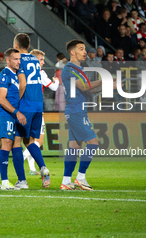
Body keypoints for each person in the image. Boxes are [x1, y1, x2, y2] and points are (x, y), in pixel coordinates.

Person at [61, 39, 112, 190]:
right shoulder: (69, 68)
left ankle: (66, 181)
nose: (85, 52)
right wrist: (103, 81)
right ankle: (81, 177)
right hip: (76, 111)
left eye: (84, 49)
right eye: (81, 49)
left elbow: (88, 89)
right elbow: (84, 87)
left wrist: (109, 86)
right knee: (93, 142)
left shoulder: (78, 69)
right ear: (72, 52)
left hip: (76, 110)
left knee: (74, 147)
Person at [12, 33, 51, 189]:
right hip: (38, 105)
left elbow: (22, 84)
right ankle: (43, 168)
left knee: (16, 142)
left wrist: (17, 102)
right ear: (28, 46)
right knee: (29, 142)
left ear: (16, 45)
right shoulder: (35, 60)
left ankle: (22, 181)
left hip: (26, 105)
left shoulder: (18, 60)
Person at [0, 48, 26, 190]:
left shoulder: (16, 75)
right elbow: (2, 99)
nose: (18, 61)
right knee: (6, 145)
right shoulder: (5, 74)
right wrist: (17, 112)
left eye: (19, 59)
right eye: (15, 59)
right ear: (8, 60)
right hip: (5, 114)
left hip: (13, 114)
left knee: (5, 147)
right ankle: (4, 182)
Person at [22, 49, 59, 176]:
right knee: (38, 141)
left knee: (28, 140)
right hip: (36, 109)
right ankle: (21, 158)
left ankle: (32, 168)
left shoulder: (23, 70)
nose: (43, 62)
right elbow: (54, 87)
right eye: (41, 59)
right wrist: (57, 81)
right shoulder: (40, 73)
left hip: (24, 108)